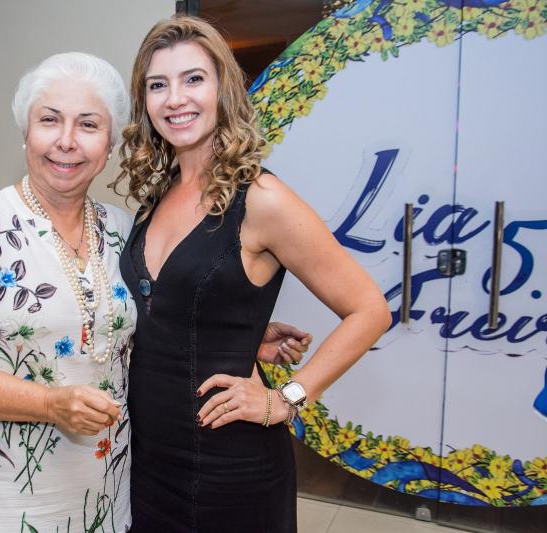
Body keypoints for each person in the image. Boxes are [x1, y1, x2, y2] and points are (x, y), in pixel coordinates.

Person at [0, 51, 310, 532]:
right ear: (25, 132)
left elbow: (141, 323)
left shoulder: (121, 230)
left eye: (89, 125)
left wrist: (232, 335)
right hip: (13, 493)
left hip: (114, 488)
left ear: (110, 143)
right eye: (49, 120)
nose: (67, 141)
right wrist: (48, 404)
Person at [117, 17, 391, 532]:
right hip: (150, 460)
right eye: (158, 85)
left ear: (223, 88)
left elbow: (370, 310)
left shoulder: (263, 199)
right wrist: (233, 327)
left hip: (230, 469)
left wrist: (285, 399)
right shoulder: (158, 194)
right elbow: (165, 308)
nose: (175, 98)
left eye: (193, 79)